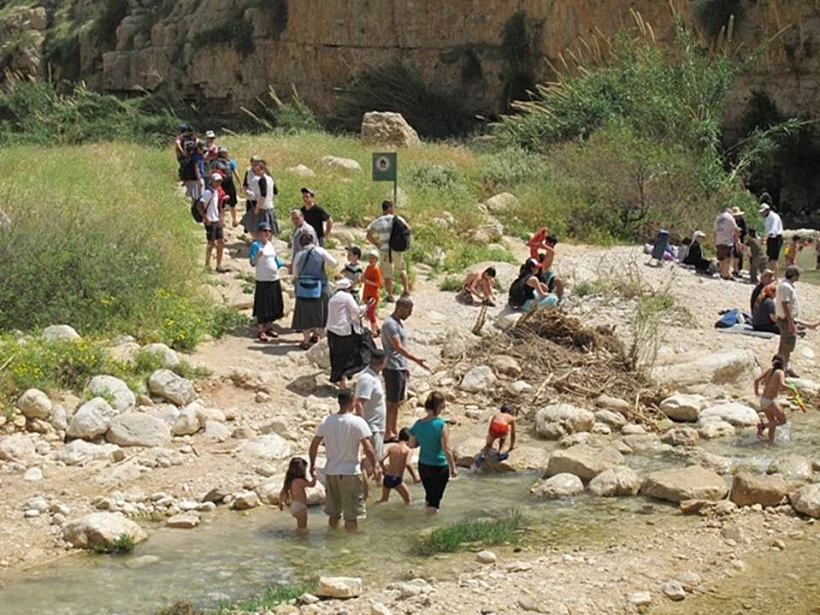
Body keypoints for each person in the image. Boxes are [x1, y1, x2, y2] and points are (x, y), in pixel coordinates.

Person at [308, 390, 380, 531]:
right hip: (350, 472)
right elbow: (368, 447)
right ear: (352, 401)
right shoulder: (357, 422)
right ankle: (351, 549)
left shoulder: (326, 421)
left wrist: (312, 465)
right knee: (351, 516)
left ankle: (332, 541)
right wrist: (375, 466)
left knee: (333, 513)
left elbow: (314, 445)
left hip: (331, 472)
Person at [382, 297, 429, 442]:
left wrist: (405, 366)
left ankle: (393, 431)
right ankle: (387, 432)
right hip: (392, 367)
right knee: (391, 402)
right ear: (401, 308)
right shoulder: (390, 324)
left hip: (399, 366)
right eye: (408, 311)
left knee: (397, 402)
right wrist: (416, 360)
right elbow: (398, 347)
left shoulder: (398, 323)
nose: (409, 314)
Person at [408, 391, 457, 515]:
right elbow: (446, 448)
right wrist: (453, 467)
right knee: (435, 502)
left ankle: (425, 520)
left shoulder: (418, 424)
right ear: (439, 406)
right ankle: (429, 529)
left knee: (429, 496)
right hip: (439, 466)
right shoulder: (441, 425)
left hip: (423, 465)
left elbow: (412, 444)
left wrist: (424, 440)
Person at [292, 231, 337, 350]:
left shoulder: (299, 254)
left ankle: (306, 341)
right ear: (312, 241)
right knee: (321, 315)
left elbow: (295, 273)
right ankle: (322, 340)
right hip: (320, 286)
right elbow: (334, 263)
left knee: (305, 314)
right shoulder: (320, 251)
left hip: (303, 288)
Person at [775, 265, 819, 377]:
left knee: (784, 344)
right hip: (786, 320)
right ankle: (783, 369)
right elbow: (785, 305)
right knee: (787, 345)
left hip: (787, 319)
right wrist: (790, 322)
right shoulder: (785, 286)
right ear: (794, 275)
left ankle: (781, 366)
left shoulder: (786, 285)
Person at [326, 278, 368, 389]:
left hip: (332, 330)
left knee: (336, 356)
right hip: (344, 331)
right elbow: (356, 312)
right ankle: (344, 381)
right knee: (348, 356)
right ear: (347, 288)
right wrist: (366, 307)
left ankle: (338, 380)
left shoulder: (333, 297)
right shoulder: (347, 297)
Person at [366, 200, 410, 302]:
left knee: (387, 274)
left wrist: (377, 244)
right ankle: (406, 290)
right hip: (397, 249)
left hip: (384, 251)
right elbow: (408, 229)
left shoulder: (377, 221)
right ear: (390, 208)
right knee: (401, 269)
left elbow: (368, 236)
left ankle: (390, 295)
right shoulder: (398, 219)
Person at [249, 221, 285, 342]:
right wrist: (257, 257)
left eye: (269, 231)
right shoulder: (256, 245)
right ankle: (261, 330)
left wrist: (286, 265)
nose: (267, 233)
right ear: (259, 233)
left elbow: (275, 260)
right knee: (262, 305)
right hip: (262, 280)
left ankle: (269, 327)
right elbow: (252, 263)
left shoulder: (270, 245)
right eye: (265, 231)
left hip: (274, 278)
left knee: (273, 304)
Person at [355, 349, 387, 479]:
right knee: (371, 461)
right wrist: (363, 428)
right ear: (383, 362)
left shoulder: (375, 377)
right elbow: (359, 403)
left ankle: (369, 489)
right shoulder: (367, 379)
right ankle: (365, 490)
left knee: (375, 460)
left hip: (377, 426)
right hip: (371, 427)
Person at [377, 428, 419, 505]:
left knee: (383, 500)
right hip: (397, 479)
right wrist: (415, 477)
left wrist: (384, 470)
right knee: (409, 501)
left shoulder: (392, 448)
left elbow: (380, 460)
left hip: (387, 478)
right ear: (409, 438)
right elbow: (408, 464)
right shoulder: (408, 450)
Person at [753, 355, 789, 442]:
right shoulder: (780, 372)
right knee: (783, 420)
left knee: (772, 423)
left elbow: (756, 380)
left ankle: (770, 442)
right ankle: (763, 426)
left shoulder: (770, 371)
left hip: (763, 401)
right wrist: (793, 388)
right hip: (770, 401)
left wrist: (756, 392)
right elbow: (782, 385)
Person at [278, 457, 317, 532]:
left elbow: (282, 492)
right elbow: (312, 484)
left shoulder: (290, 481)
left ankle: (296, 538)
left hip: (294, 505)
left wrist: (280, 503)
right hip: (300, 507)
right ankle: (300, 541)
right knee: (302, 528)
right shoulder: (298, 481)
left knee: (300, 527)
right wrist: (314, 475)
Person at [197, 173, 226, 272]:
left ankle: (219, 265)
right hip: (210, 220)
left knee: (221, 241)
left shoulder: (216, 191)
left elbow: (219, 206)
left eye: (220, 181)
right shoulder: (208, 192)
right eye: (216, 181)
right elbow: (199, 205)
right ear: (212, 181)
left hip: (216, 219)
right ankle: (207, 264)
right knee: (211, 242)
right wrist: (205, 217)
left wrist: (221, 218)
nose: (218, 183)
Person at [211, 146, 241, 228]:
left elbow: (212, 173)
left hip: (219, 184)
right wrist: (240, 183)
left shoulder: (215, 162)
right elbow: (235, 173)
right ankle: (234, 220)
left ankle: (222, 221)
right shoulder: (231, 162)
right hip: (230, 184)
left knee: (221, 204)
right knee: (232, 204)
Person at [713, 208, 739, 280]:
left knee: (721, 258)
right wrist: (736, 239)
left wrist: (714, 242)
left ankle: (721, 273)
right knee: (727, 258)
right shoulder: (730, 217)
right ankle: (726, 274)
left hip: (719, 240)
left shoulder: (718, 218)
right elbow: (736, 229)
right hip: (727, 241)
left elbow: (714, 231)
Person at [760, 203, 784, 277]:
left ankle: (776, 278)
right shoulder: (766, 218)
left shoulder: (774, 217)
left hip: (776, 238)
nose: (762, 213)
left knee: (774, 259)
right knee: (770, 259)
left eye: (763, 212)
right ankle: (770, 276)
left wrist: (765, 238)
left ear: (767, 210)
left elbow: (774, 230)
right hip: (771, 239)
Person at [362, 249, 383, 336]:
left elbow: (378, 283)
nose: (370, 259)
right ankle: (377, 329)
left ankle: (374, 331)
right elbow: (364, 278)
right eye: (370, 257)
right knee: (369, 312)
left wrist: (367, 281)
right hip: (367, 293)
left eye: (373, 258)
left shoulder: (376, 269)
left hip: (373, 295)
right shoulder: (368, 267)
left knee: (370, 312)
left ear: (376, 259)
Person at [731, 207, 747, 276]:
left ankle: (738, 269)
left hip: (740, 239)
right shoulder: (731, 221)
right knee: (735, 254)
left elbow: (745, 232)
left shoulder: (742, 221)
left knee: (739, 255)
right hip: (732, 239)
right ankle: (735, 269)